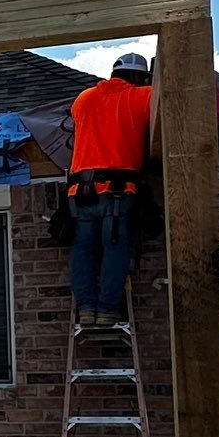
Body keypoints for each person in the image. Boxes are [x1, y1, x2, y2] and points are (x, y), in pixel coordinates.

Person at [67, 50, 155, 325]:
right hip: (118, 190)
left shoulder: (83, 99)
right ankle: (106, 310)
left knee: (83, 249)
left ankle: (85, 309)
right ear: (137, 76)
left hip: (80, 191)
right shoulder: (144, 96)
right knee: (115, 246)